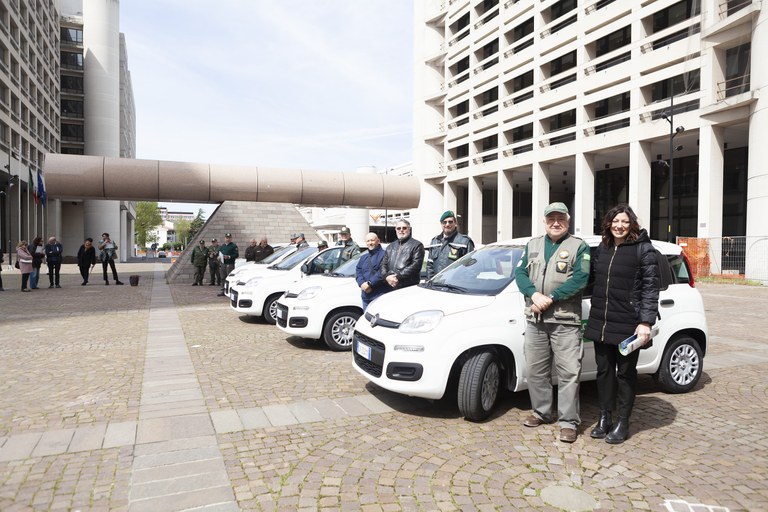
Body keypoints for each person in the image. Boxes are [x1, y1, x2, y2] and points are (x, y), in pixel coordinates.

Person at [514, 202, 590, 443]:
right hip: (535, 319)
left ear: (568, 221)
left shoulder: (579, 246)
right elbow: (520, 273)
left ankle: (569, 422)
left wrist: (551, 298)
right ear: (544, 221)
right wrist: (534, 295)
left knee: (569, 373)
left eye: (560, 219)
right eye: (551, 219)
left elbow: (581, 278)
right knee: (536, 371)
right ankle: (542, 412)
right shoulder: (533, 244)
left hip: (566, 321)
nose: (555, 223)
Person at [584, 204, 660, 444]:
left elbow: (651, 289)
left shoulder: (644, 249)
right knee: (604, 372)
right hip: (601, 321)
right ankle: (605, 417)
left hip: (628, 323)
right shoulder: (603, 247)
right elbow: (593, 281)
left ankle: (623, 422)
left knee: (626, 374)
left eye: (625, 222)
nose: (619, 226)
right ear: (608, 223)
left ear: (632, 224)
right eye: (615, 221)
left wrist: (645, 322)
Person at [426, 210, 475, 280]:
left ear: (456, 223)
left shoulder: (465, 242)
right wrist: (430, 282)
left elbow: (470, 267)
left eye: (450, 222)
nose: (447, 224)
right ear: (441, 224)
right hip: (437, 283)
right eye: (444, 222)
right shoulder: (435, 241)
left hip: (456, 284)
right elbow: (430, 266)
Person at [381, 220, 424, 290]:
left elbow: (416, 266)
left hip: (407, 287)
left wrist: (398, 277)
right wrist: (386, 276)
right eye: (398, 228)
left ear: (409, 229)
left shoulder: (417, 245)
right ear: (395, 230)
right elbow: (383, 264)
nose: (401, 230)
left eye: (404, 228)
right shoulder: (390, 246)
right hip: (390, 286)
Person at [356, 232, 388, 309]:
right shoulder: (363, 257)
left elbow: (382, 272)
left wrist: (369, 283)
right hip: (366, 296)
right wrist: (362, 284)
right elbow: (358, 271)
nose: (370, 243)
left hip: (379, 295)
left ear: (378, 241)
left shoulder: (385, 255)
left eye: (372, 240)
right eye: (368, 241)